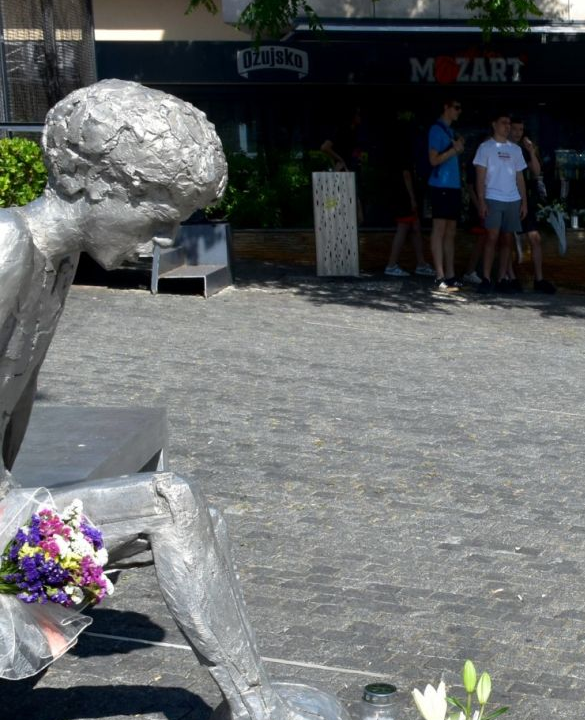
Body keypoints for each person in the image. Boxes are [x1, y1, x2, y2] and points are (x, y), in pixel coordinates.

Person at [0, 79, 339, 720]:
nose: (164, 241)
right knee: (171, 503)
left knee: (192, 515)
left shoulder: (57, 260)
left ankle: (254, 699)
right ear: (96, 185)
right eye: (159, 218)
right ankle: (255, 704)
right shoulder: (8, 247)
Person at [473, 111, 528, 294]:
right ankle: (486, 277)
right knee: (491, 237)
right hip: (493, 197)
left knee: (507, 239)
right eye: (503, 122)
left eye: (509, 123)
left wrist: (524, 201)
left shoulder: (516, 149)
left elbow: (520, 177)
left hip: (512, 198)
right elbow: (479, 177)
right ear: (494, 124)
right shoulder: (485, 148)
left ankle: (502, 277)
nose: (507, 126)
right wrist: (481, 201)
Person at [383, 115, 433, 278]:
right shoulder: (403, 149)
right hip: (403, 194)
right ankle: (391, 264)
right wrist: (411, 196)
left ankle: (421, 263)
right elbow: (406, 174)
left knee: (415, 226)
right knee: (404, 227)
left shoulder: (392, 148)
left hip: (397, 192)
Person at [510, 118, 555, 294]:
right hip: (509, 197)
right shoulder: (503, 149)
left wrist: (531, 150)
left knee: (534, 238)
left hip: (525, 198)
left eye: (521, 129)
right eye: (515, 129)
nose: (517, 133)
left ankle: (539, 278)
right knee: (511, 240)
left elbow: (536, 172)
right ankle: (510, 276)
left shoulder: (522, 150)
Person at [426, 98, 466, 289]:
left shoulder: (451, 131)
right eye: (456, 107)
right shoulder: (436, 130)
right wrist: (454, 150)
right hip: (440, 184)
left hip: (453, 186)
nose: (459, 111)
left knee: (451, 231)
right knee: (439, 229)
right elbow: (433, 160)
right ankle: (439, 274)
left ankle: (450, 274)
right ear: (446, 107)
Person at [318, 107, 365, 225]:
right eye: (358, 115)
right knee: (347, 199)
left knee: (350, 198)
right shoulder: (341, 130)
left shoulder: (353, 132)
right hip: (343, 170)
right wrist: (340, 160)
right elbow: (324, 147)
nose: (360, 118)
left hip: (348, 169)